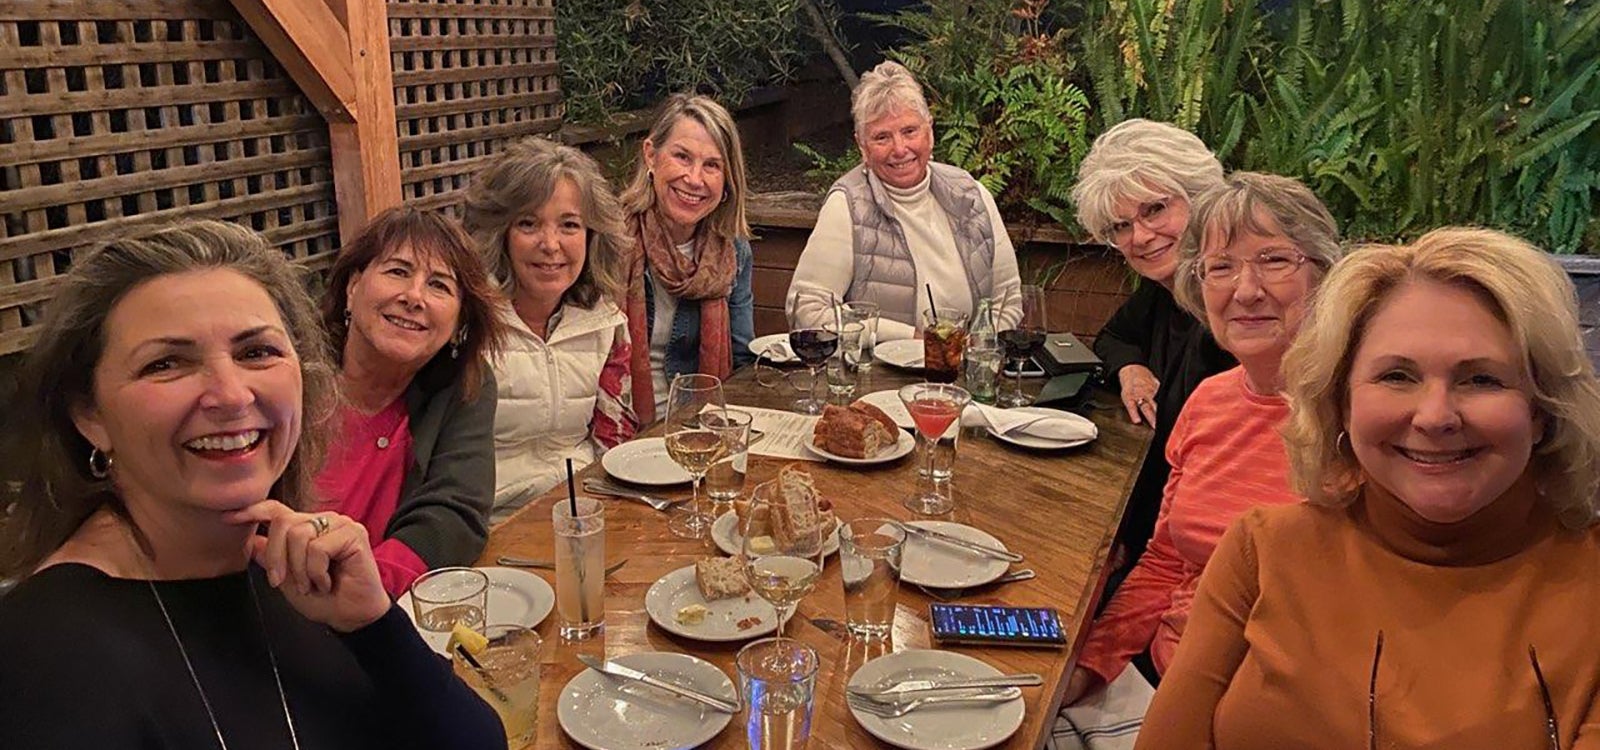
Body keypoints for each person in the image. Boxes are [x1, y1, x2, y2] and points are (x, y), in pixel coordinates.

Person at [0, 220, 505, 748]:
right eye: (166, 363)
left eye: (256, 353)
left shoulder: (295, 577)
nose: (231, 395)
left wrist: (374, 624)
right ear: (89, 414)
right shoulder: (43, 658)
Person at [1138, 228, 1600, 749]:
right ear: (1341, 402)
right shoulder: (1262, 551)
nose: (1435, 416)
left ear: (1542, 411)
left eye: (1482, 380)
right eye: (1397, 376)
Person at [1063, 173, 1343, 706]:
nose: (1246, 289)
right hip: (1164, 681)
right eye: (1221, 268)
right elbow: (1166, 562)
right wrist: (1088, 668)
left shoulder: (1358, 424)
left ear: (1324, 275)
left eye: (1275, 261)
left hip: (1281, 713)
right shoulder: (1210, 401)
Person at [1071, 119, 1236, 570]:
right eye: (1120, 226)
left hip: (1201, 560)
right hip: (1153, 537)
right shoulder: (1166, 290)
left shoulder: (1238, 311)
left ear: (1200, 196)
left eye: (1155, 210)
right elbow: (1114, 337)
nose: (1139, 237)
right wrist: (1131, 369)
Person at [318, 206, 506, 598]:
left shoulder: (465, 384)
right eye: (398, 271)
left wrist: (368, 591)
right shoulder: (291, 376)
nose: (414, 297)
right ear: (353, 287)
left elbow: (455, 513)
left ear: (459, 321)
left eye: (439, 285)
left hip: (385, 609)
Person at [464, 137, 637, 522]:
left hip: (582, 512)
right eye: (528, 223)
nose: (551, 244)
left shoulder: (606, 322)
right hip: (490, 524)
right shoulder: (466, 324)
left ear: (593, 235)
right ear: (500, 234)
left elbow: (615, 442)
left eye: (569, 225)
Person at [786, 61, 1023, 340]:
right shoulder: (847, 206)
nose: (900, 149)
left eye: (910, 131)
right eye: (882, 137)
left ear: (930, 132)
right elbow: (807, 311)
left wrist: (978, 349)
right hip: (876, 377)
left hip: (961, 372)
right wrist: (911, 339)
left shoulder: (971, 194)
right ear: (862, 146)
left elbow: (1008, 299)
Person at [618, 93, 756, 423]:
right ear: (651, 156)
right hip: (617, 429)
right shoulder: (609, 240)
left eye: (712, 165)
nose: (694, 179)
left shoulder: (733, 252)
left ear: (727, 180)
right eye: (682, 157)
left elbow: (742, 360)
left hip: (698, 428)